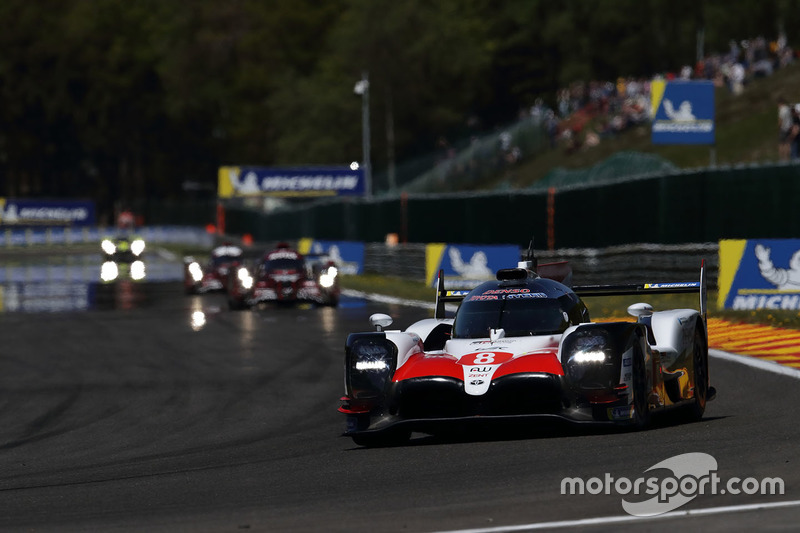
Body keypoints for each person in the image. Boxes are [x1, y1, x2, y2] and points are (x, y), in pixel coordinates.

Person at [778, 96, 793, 161]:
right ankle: (787, 158)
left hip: (783, 128)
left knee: (782, 144)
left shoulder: (781, 110)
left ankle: (782, 158)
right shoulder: (787, 109)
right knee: (788, 143)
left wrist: (779, 127)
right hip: (789, 128)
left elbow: (780, 120)